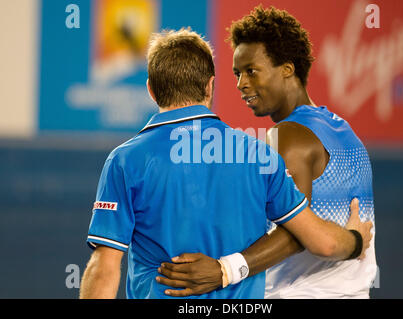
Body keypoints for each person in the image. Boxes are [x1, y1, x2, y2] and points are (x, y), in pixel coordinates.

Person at [79, 28, 372, 299]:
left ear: (151, 90)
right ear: (210, 87)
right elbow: (322, 242)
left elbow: (104, 266)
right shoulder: (260, 155)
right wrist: (356, 240)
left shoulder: (125, 161)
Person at [157, 6, 377, 299]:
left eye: (252, 71)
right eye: (237, 73)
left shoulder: (288, 136)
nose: (241, 84)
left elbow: (298, 233)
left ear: (287, 69)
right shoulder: (344, 131)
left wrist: (224, 270)